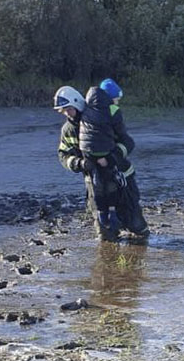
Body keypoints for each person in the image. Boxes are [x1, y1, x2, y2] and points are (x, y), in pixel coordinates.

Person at [80, 79, 150, 238]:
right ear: (111, 98)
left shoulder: (86, 110)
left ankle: (107, 225)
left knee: (100, 193)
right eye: (117, 100)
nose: (118, 103)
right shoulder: (112, 111)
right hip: (115, 167)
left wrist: (86, 160)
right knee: (118, 197)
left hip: (93, 165)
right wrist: (113, 157)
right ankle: (123, 225)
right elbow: (124, 138)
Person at [54, 85, 120, 241]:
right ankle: (106, 249)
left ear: (77, 103)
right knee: (100, 221)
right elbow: (63, 154)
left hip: (111, 172)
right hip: (91, 177)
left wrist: (111, 159)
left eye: (68, 109)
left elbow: (118, 141)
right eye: (63, 111)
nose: (66, 113)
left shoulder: (97, 119)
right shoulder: (68, 130)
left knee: (122, 211)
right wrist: (79, 163)